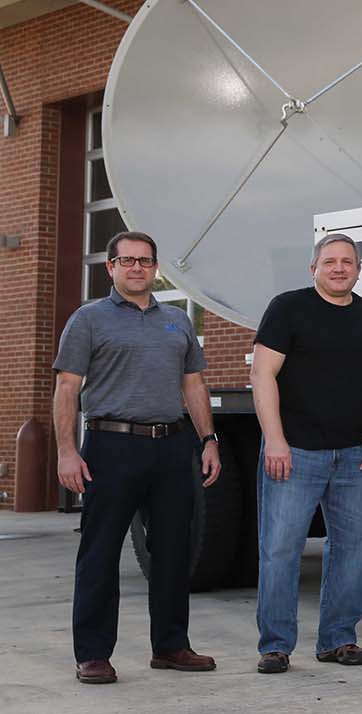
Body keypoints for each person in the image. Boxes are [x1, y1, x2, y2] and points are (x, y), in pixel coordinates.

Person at [53, 230, 222, 685]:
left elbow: (193, 385)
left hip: (171, 445)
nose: (136, 268)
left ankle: (170, 646)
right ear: (110, 267)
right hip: (111, 446)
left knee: (172, 550)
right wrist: (67, 452)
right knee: (100, 552)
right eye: (126, 261)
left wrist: (209, 440)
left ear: (155, 267)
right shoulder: (88, 319)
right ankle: (92, 653)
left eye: (144, 261)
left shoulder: (177, 321)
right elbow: (67, 386)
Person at [250, 233, 362, 674]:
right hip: (294, 453)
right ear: (313, 267)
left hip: (354, 455)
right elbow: (263, 375)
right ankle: (275, 645)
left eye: (347, 262)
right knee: (281, 549)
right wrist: (274, 440)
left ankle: (338, 639)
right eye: (329, 261)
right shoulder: (287, 308)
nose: (339, 268)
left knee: (352, 549)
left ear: (358, 269)